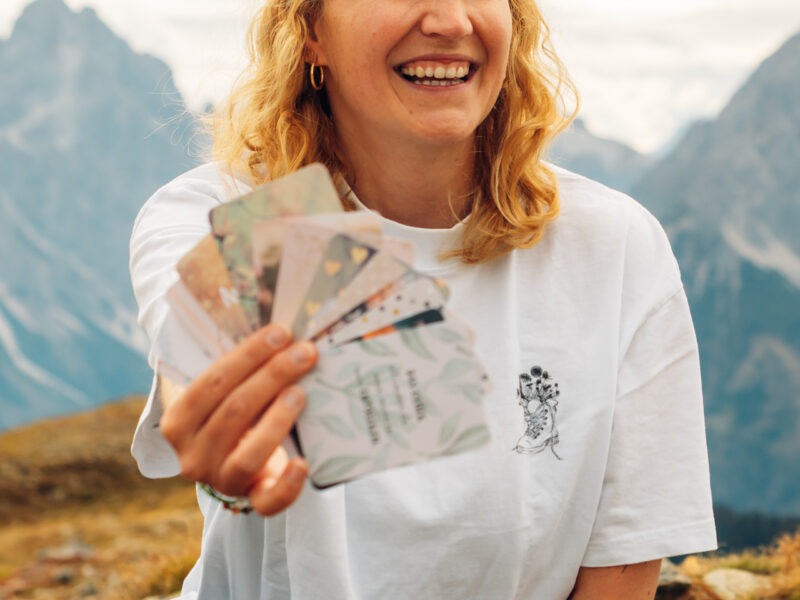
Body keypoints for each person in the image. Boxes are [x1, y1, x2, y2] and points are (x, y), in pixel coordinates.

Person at [129, 0, 717, 598]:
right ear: (309, 31)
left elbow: (623, 562)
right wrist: (226, 447)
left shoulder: (612, 241)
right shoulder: (217, 213)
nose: (451, 21)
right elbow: (205, 376)